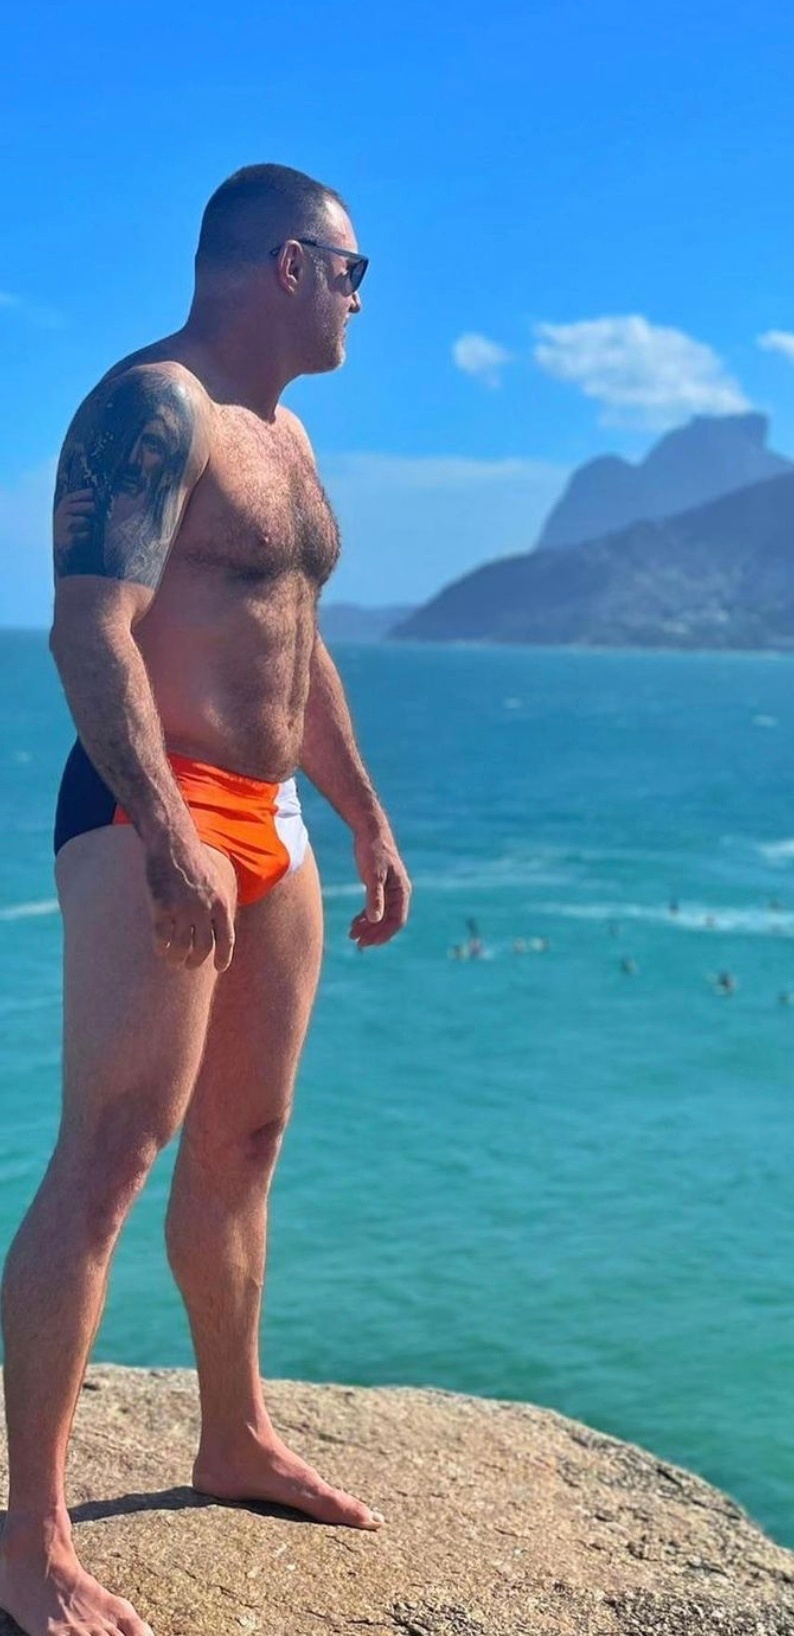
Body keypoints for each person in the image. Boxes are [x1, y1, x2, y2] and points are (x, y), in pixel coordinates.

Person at [0, 165, 412, 1636]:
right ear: (288, 265)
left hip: (272, 812)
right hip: (149, 803)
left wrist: (360, 810)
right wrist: (171, 834)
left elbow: (295, 638)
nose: (360, 301)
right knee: (113, 1150)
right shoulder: (152, 407)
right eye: (353, 273)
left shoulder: (285, 437)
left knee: (246, 1139)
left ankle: (231, 1436)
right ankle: (31, 1536)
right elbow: (90, 628)